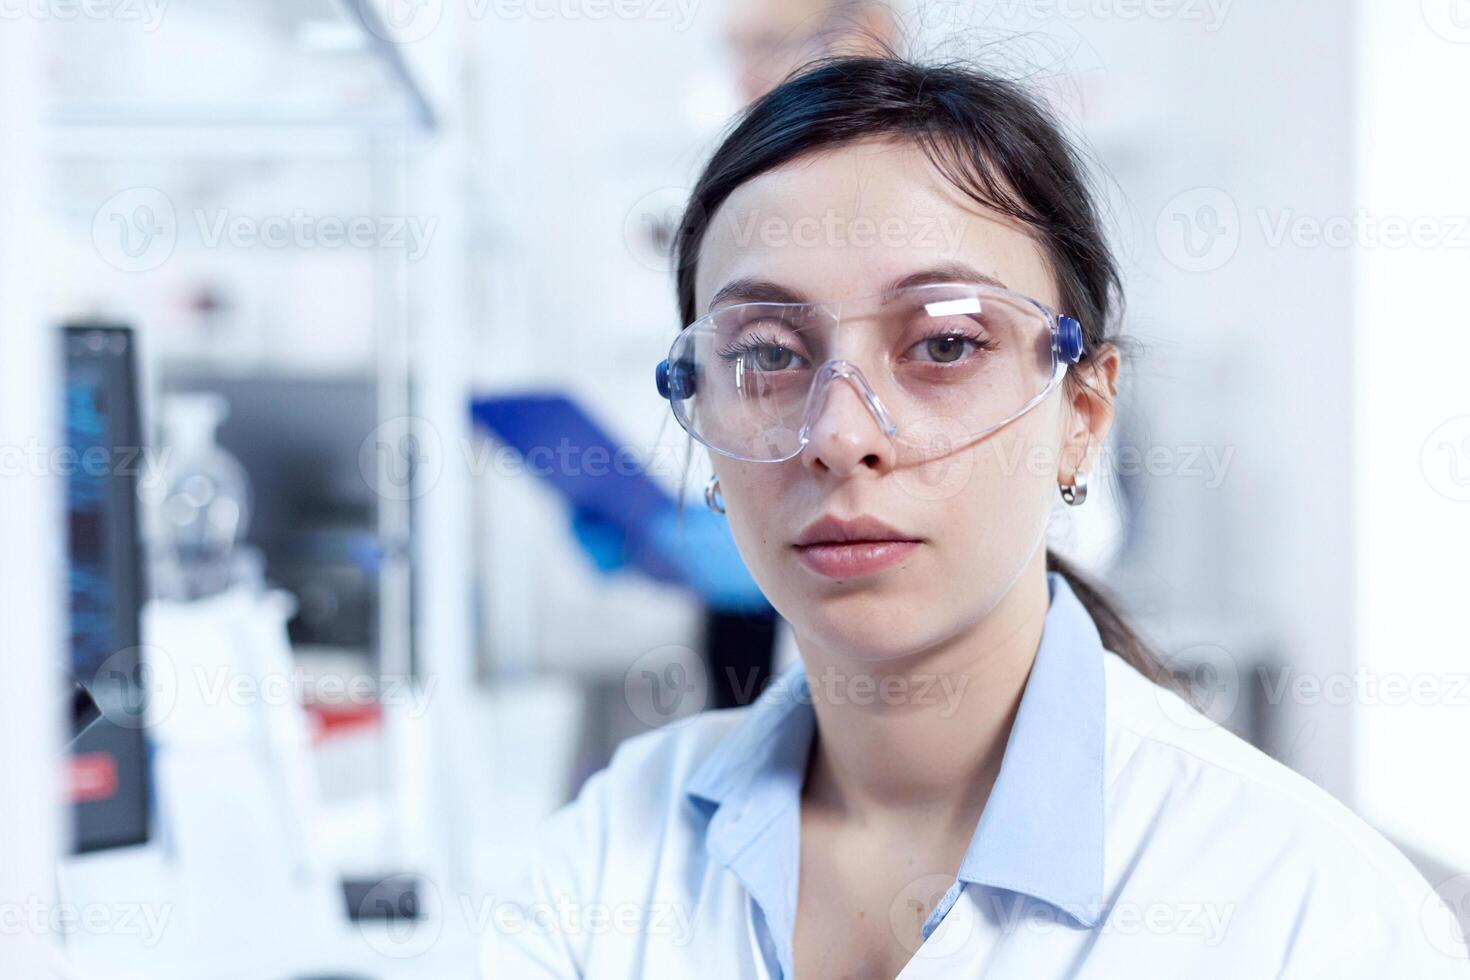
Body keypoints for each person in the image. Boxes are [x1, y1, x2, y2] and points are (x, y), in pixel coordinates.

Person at [484, 56, 1469, 979]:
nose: (839, 435)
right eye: (770, 353)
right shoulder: (611, 854)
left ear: (1082, 415)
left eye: (945, 344)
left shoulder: (1303, 911)